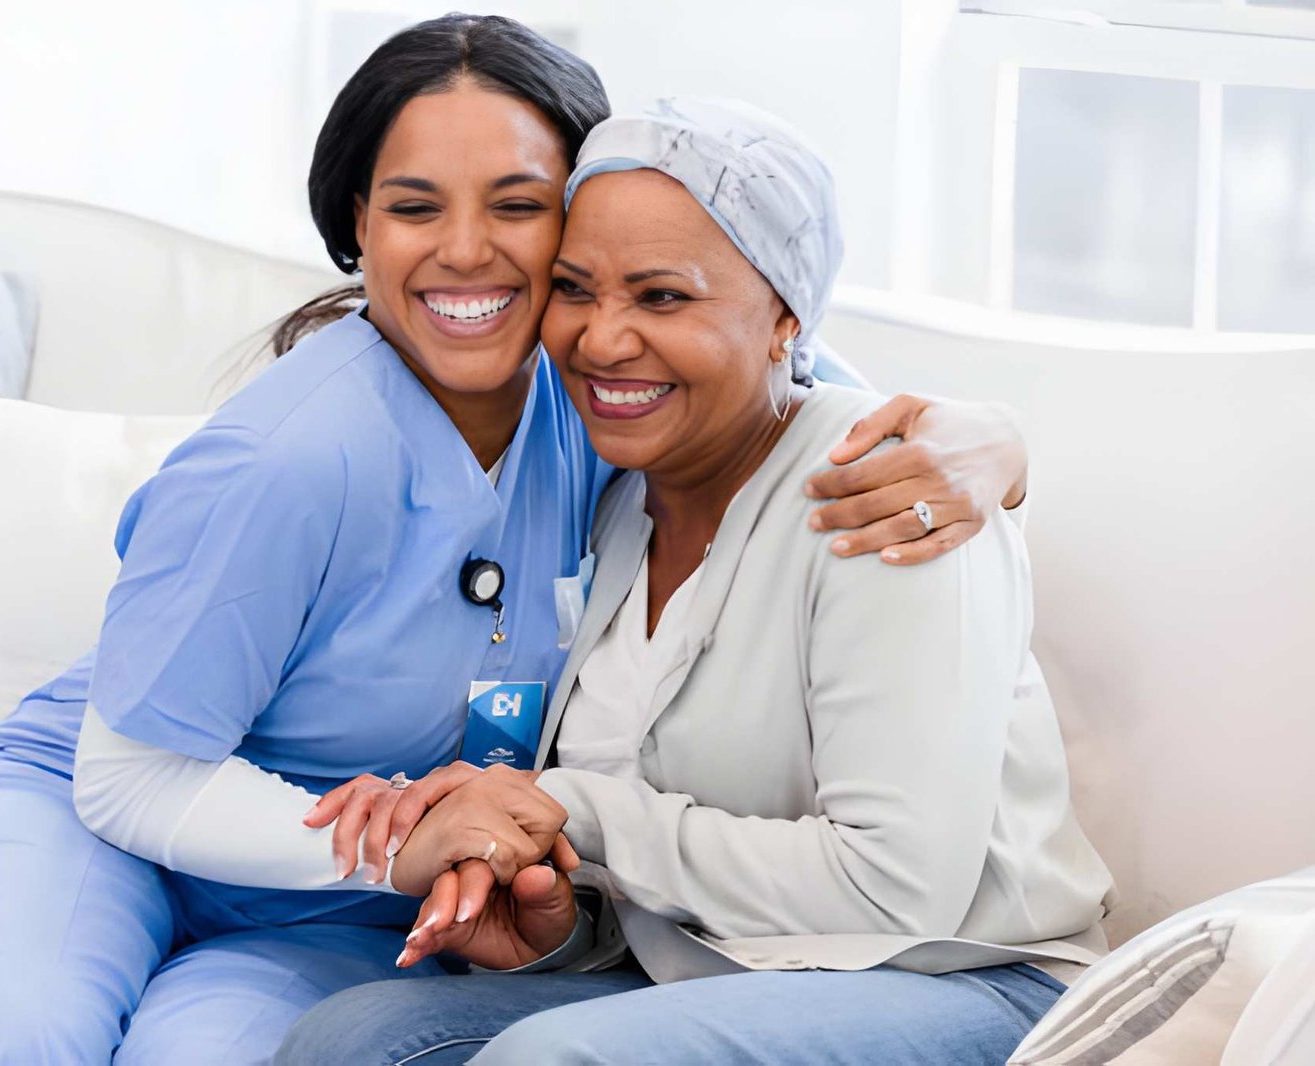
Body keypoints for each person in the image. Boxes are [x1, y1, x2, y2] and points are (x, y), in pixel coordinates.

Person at [0, 19, 1035, 1066]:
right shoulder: (289, 456)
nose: (467, 252)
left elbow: (797, 382)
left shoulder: (600, 399)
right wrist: (410, 844)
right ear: (356, 227)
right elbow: (128, 775)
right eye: (415, 207)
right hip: (110, 819)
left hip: (338, 903)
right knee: (5, 1037)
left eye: (518, 206)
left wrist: (992, 444)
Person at [277, 98, 1114, 1066]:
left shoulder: (884, 494)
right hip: (710, 979)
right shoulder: (616, 499)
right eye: (575, 288)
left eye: (662, 297)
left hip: (964, 980)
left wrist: (567, 809)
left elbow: (894, 887)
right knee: (350, 1039)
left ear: (785, 319)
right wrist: (553, 930)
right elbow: (671, 879)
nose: (601, 339)